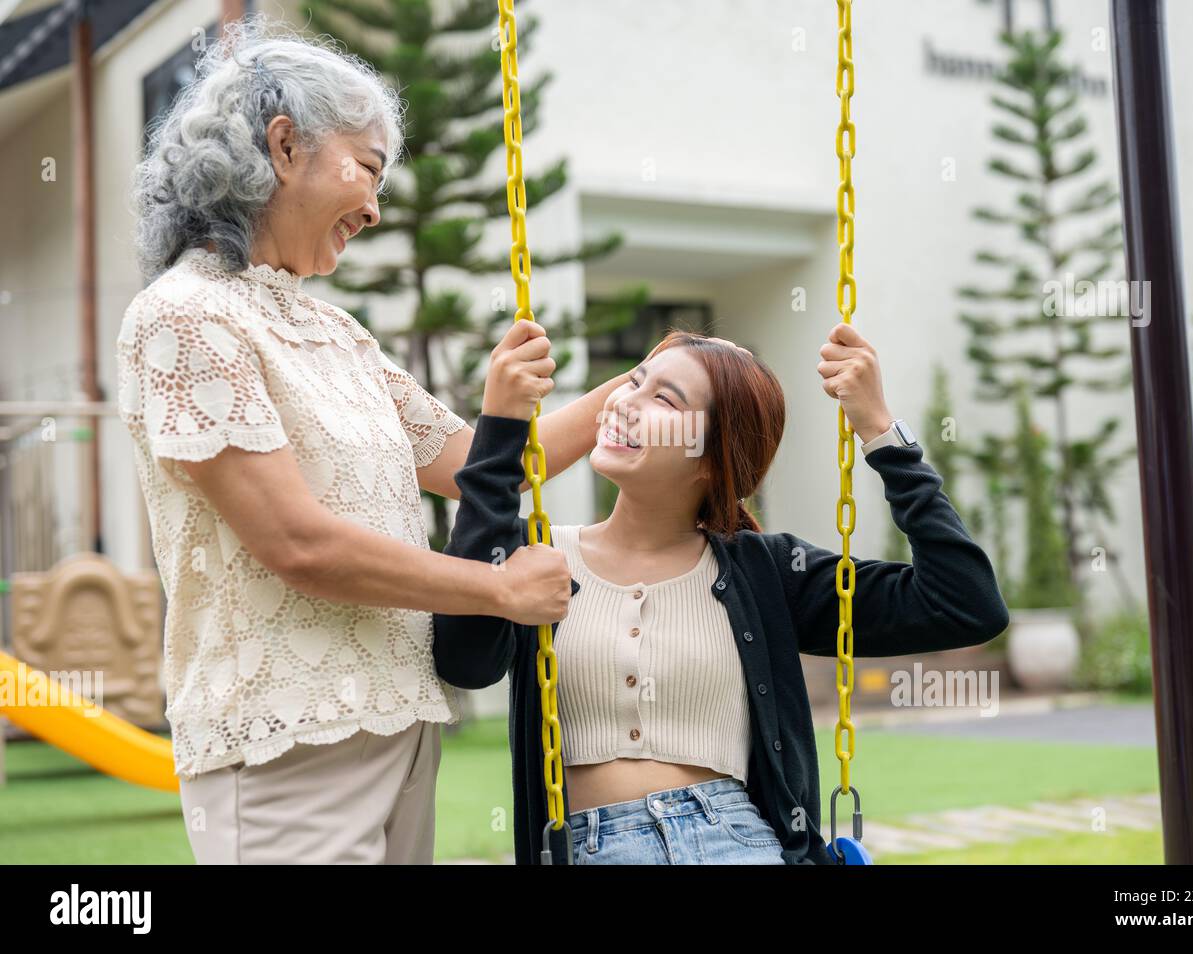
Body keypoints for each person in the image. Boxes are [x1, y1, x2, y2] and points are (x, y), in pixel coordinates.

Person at [118, 17, 606, 864]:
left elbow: (475, 468)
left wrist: (640, 387)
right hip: (284, 743)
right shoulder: (185, 317)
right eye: (368, 169)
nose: (377, 208)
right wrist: (496, 591)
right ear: (283, 146)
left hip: (402, 724)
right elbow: (297, 544)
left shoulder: (336, 334)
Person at [432, 322, 1011, 864]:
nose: (622, 404)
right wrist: (502, 429)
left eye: (664, 399)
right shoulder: (537, 560)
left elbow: (965, 604)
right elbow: (464, 661)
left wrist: (881, 431)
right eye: (633, 383)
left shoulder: (768, 573)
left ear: (711, 459)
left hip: (732, 840)